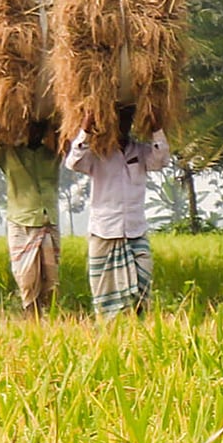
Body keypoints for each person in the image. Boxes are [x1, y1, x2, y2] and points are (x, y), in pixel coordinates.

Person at [65, 105, 170, 317]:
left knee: (142, 289)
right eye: (118, 120)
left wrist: (156, 127)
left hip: (135, 231)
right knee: (104, 294)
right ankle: (109, 335)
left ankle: (138, 333)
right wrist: (85, 130)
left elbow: (161, 160)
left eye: (126, 120)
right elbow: (73, 162)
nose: (122, 125)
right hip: (104, 232)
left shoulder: (140, 151)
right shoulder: (96, 152)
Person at [0, 117, 60, 316]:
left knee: (51, 281)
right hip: (21, 223)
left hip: (48, 222)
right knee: (26, 278)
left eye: (39, 129)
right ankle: (31, 316)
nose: (35, 133)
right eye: (31, 128)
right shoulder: (9, 155)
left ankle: (48, 319)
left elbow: (74, 141)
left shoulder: (53, 154)